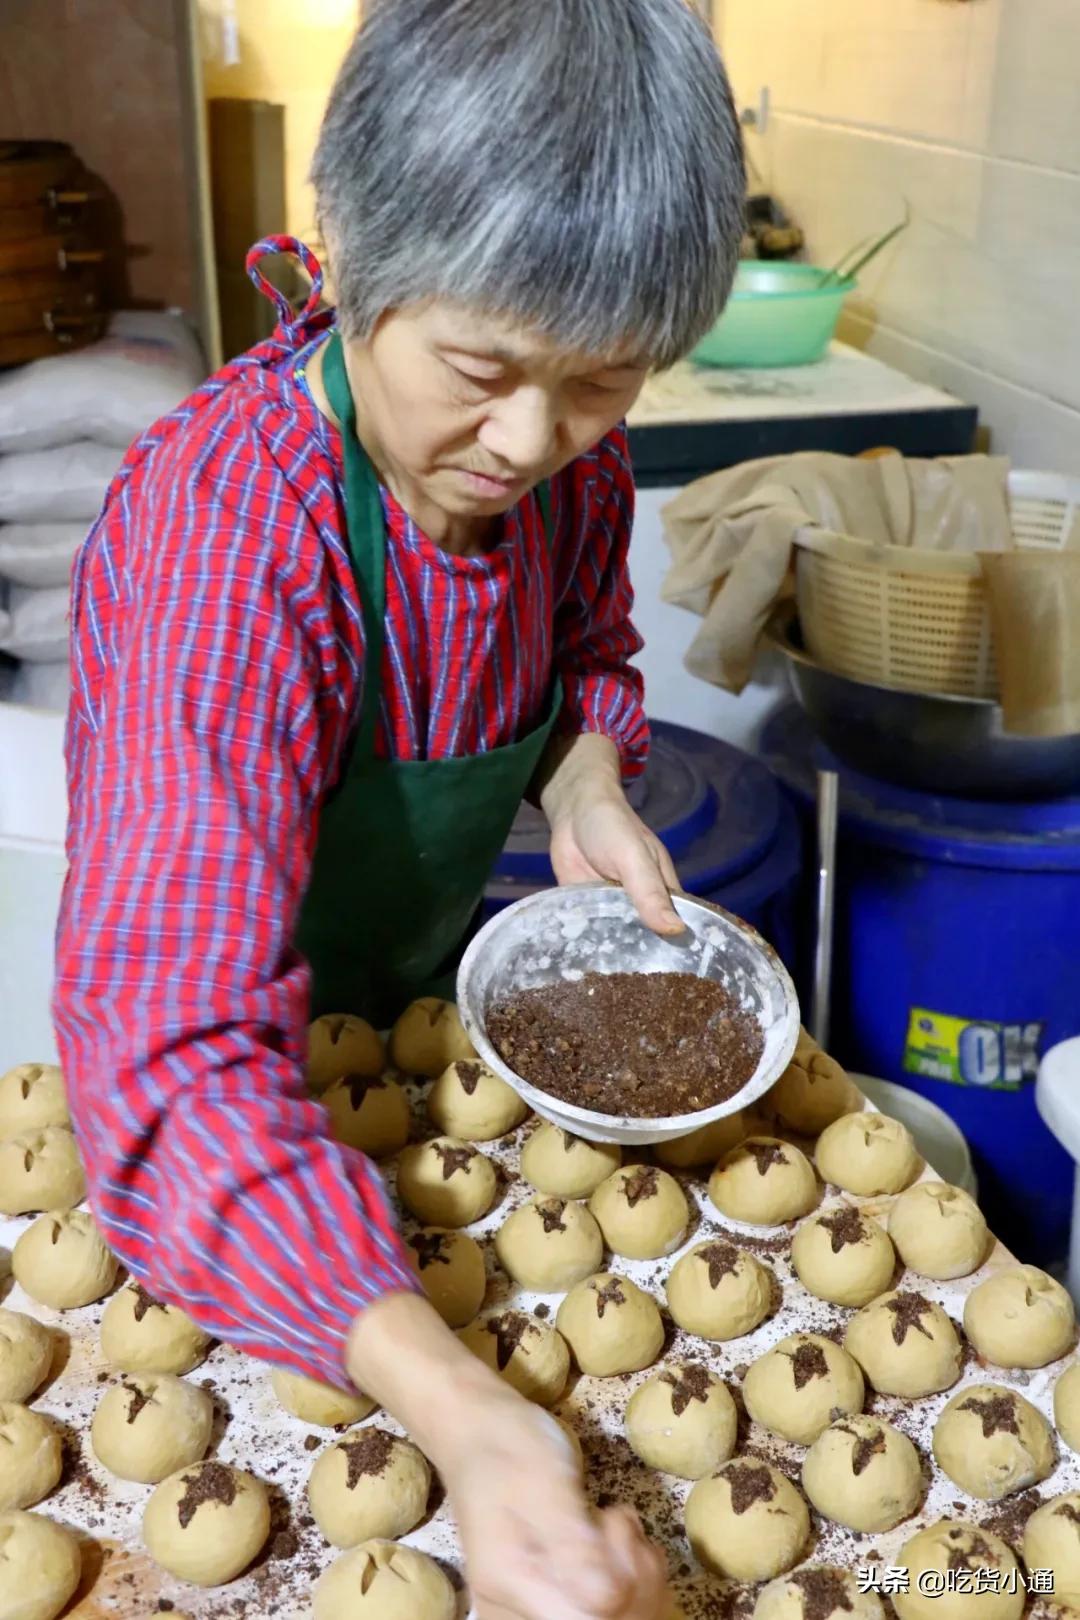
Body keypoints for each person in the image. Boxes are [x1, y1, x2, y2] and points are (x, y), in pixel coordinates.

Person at [53, 2, 744, 1615]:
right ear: (350, 245)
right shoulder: (229, 546)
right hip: (213, 1161)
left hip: (404, 1055)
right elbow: (167, 1055)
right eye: (483, 371)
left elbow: (584, 639)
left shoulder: (566, 457)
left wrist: (582, 774)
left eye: (601, 381)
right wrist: (477, 1429)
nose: (527, 443)